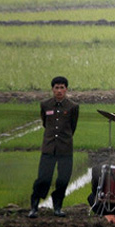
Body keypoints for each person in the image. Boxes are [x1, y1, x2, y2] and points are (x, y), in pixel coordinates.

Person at [29, 76, 79, 218]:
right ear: (52, 89)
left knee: (63, 179)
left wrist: (64, 138)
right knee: (43, 178)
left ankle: (57, 207)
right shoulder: (45, 105)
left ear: (66, 89)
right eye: (56, 88)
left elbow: (72, 127)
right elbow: (46, 123)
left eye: (62, 87)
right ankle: (34, 206)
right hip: (49, 148)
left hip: (65, 148)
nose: (59, 91)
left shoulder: (73, 107)